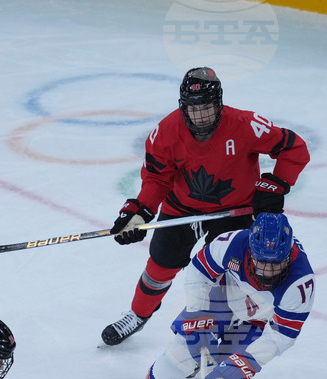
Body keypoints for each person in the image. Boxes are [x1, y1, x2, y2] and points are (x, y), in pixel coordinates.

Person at [101, 66, 311, 346]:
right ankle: (138, 314)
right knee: (160, 266)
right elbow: (156, 178)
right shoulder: (164, 133)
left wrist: (275, 184)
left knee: (227, 276)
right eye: (193, 108)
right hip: (181, 208)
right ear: (183, 106)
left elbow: (294, 148)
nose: (200, 116)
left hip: (236, 210)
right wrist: (140, 211)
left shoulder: (247, 125)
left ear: (219, 103)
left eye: (207, 108)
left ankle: (216, 331)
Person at [110, 212, 314, 379]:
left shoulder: (301, 282)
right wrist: (198, 314)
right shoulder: (233, 243)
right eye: (262, 262)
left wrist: (243, 366)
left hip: (258, 323)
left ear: (288, 255)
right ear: (251, 250)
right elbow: (199, 271)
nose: (268, 271)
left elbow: (282, 335)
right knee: (175, 358)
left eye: (277, 264)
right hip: (223, 298)